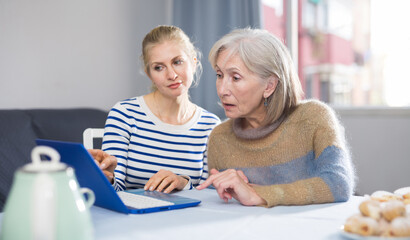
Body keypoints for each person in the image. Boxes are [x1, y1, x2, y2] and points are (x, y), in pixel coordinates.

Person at [196, 28, 355, 207]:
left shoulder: (313, 118)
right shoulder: (219, 137)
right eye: (219, 75)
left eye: (236, 77)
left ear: (269, 86)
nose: (222, 90)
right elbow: (219, 205)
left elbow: (339, 184)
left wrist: (259, 194)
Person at [90, 25, 220, 194]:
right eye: (159, 67)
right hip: (134, 217)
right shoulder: (124, 114)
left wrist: (183, 182)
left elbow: (209, 195)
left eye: (177, 62)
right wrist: (107, 177)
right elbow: (115, 189)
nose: (172, 75)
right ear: (149, 74)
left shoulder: (211, 126)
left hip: (186, 219)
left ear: (193, 63)